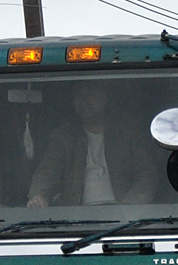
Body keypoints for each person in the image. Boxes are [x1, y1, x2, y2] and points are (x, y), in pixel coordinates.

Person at [26, 82, 155, 207]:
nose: (84, 100)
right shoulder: (63, 137)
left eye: (90, 94)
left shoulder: (128, 132)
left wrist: (129, 209)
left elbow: (147, 174)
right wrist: (38, 195)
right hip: (77, 220)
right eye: (78, 95)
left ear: (105, 97)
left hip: (126, 220)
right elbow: (48, 172)